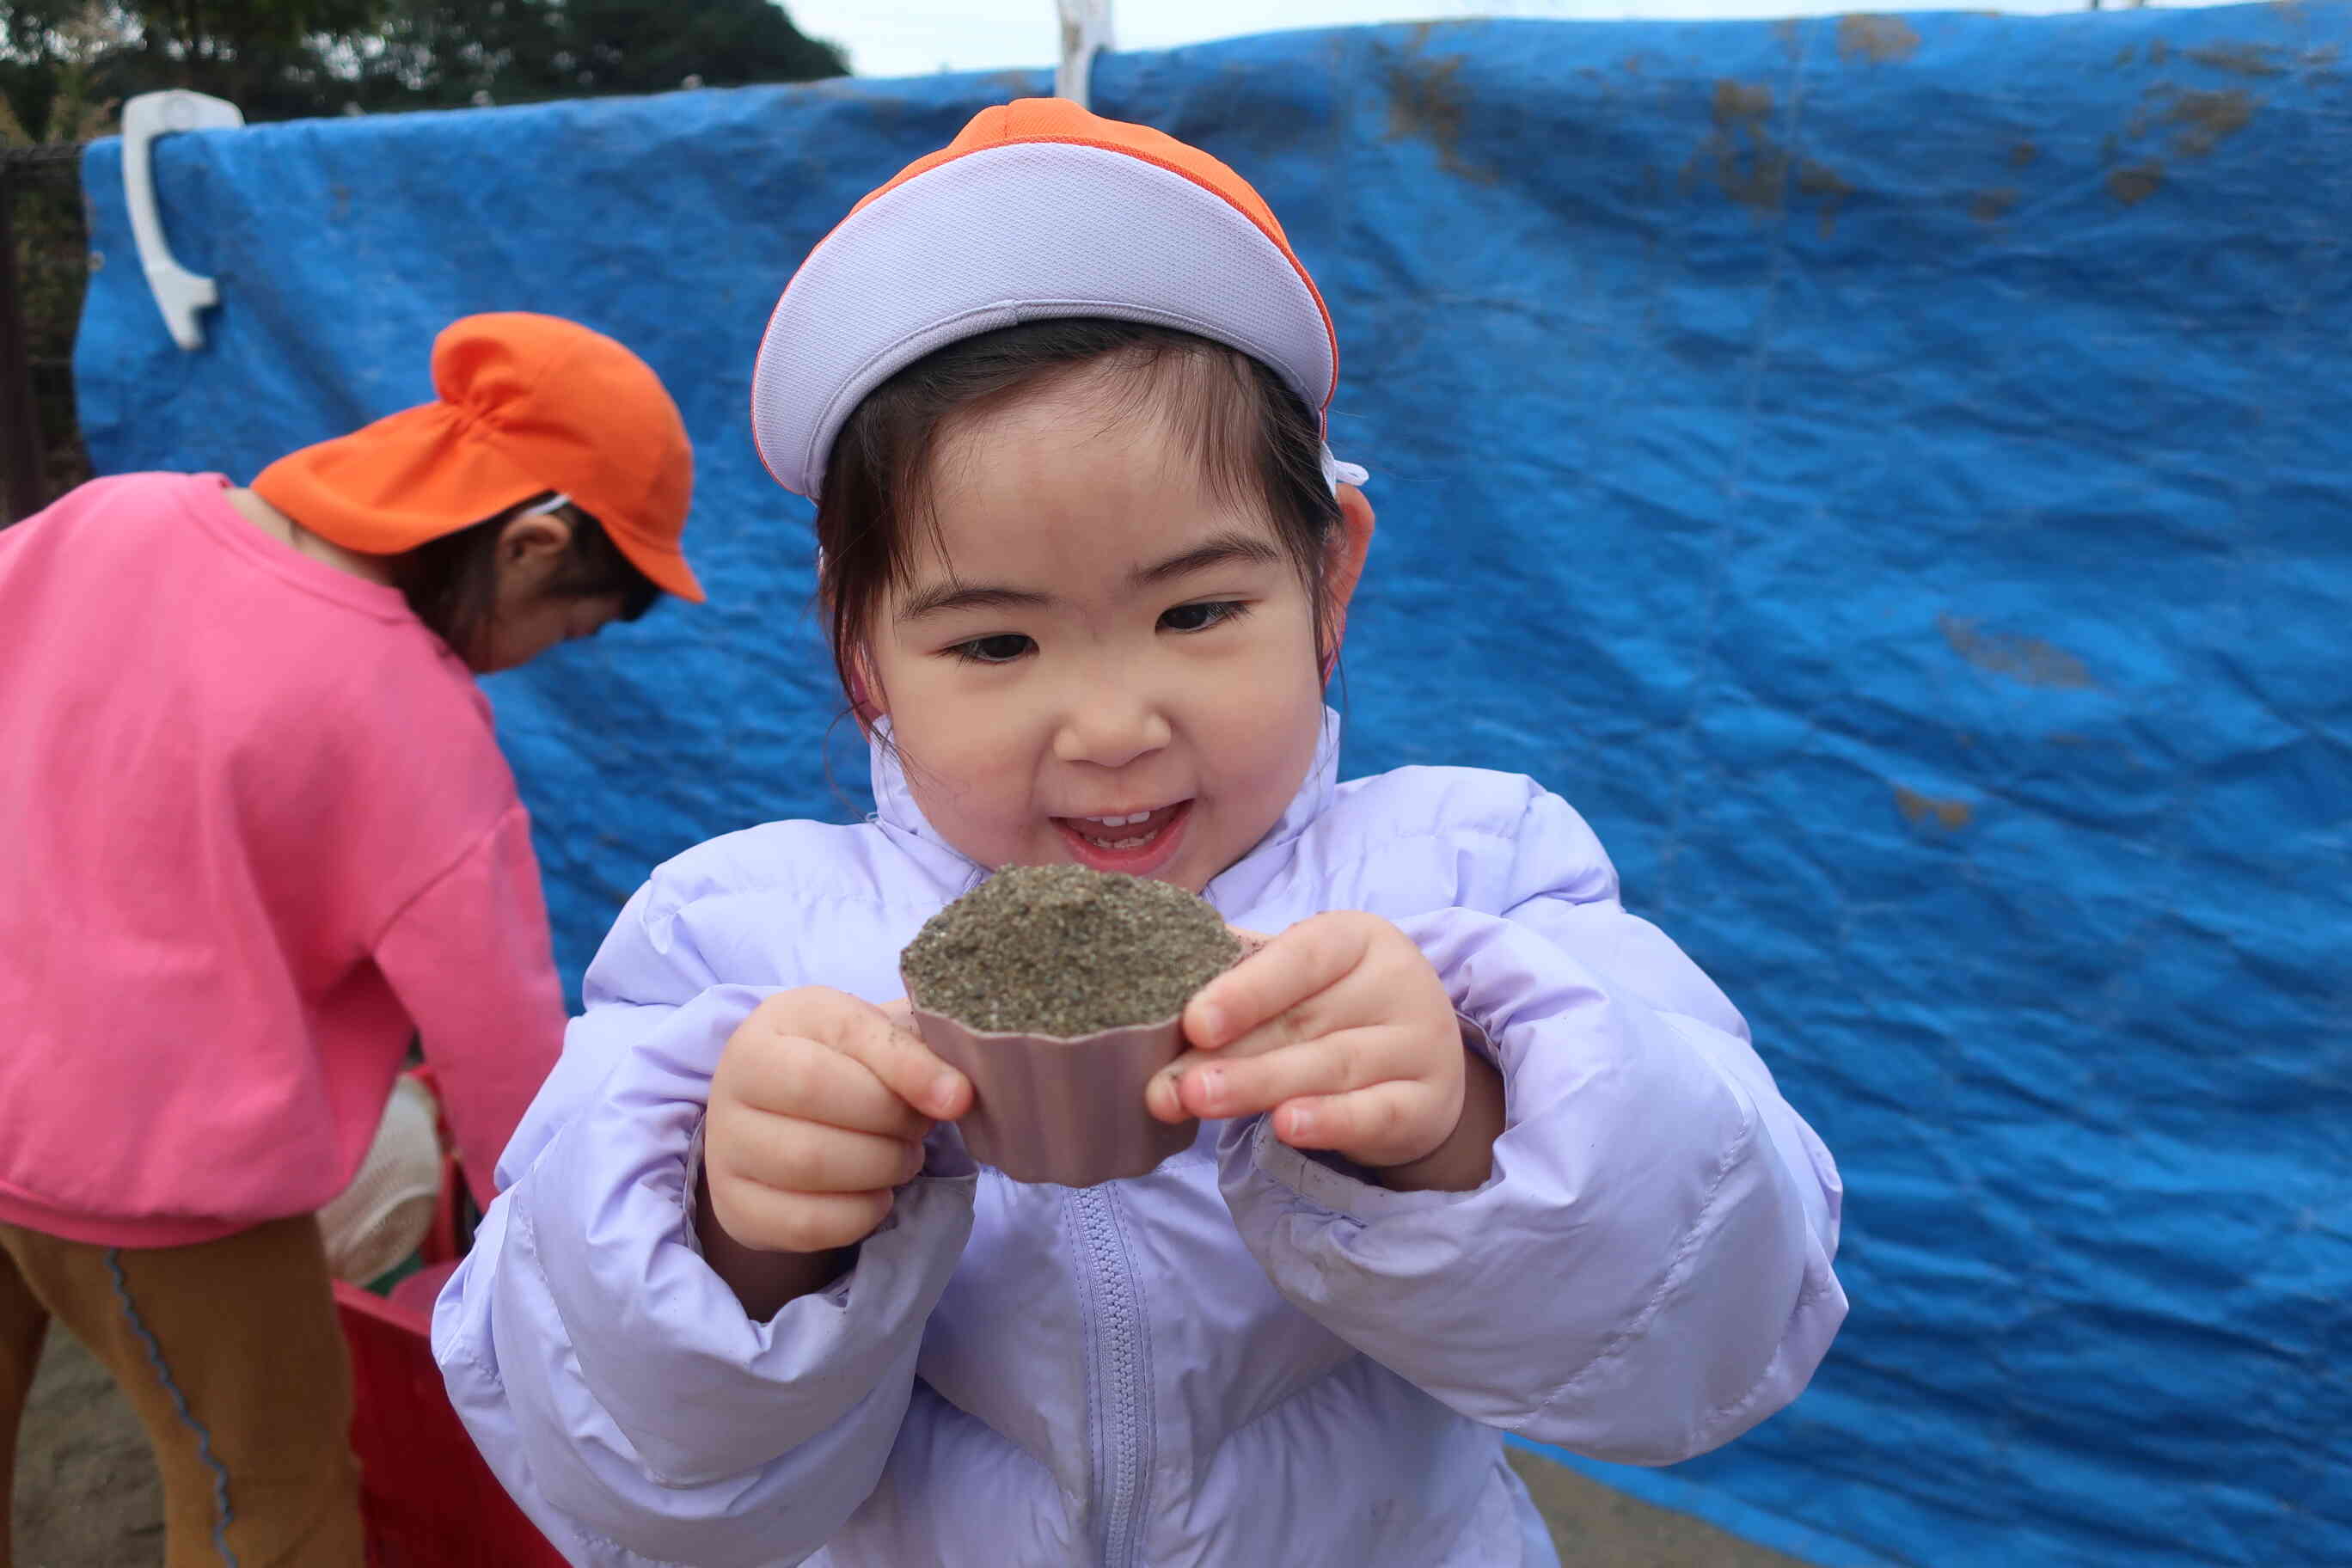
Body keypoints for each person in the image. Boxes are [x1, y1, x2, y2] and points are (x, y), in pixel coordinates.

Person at [433, 104, 1847, 1567]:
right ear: (864, 660)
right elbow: (604, 1470)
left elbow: (1720, 1325)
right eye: (994, 643)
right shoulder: (729, 945)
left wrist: (1467, 1122)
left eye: (1198, 611)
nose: (1111, 726)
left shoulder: (1473, 877)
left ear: (1329, 584)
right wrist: (742, 1237)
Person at [0, 311, 702, 1567]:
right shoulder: (412, 719)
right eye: (565, 630)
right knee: (272, 1494)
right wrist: (578, 1246)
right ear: (532, 546)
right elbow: (504, 1059)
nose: (530, 663)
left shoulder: (115, 517)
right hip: (145, 1180)